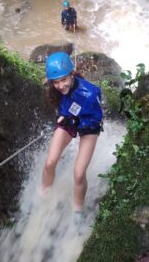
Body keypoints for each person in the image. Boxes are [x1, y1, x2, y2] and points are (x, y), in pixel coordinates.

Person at [41, 51, 103, 213]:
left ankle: (77, 211)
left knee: (78, 173)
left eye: (64, 80)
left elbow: (97, 118)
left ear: (72, 75)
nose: (60, 86)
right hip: (69, 120)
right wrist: (64, 116)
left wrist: (76, 121)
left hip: (89, 126)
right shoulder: (55, 89)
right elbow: (63, 106)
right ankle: (43, 196)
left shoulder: (90, 93)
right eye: (56, 82)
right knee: (49, 163)